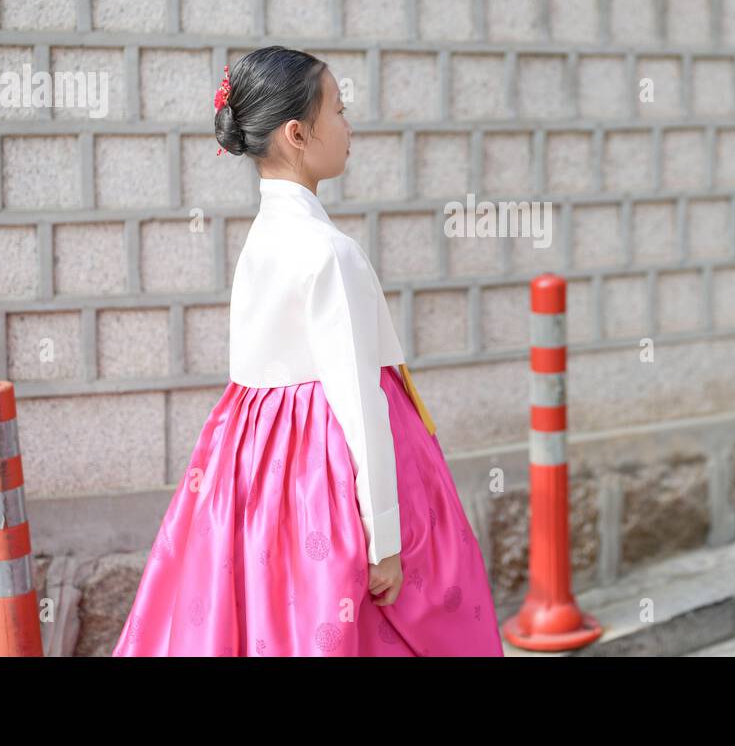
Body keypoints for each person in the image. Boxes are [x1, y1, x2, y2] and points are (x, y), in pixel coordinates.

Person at [112, 46, 504, 656]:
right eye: (340, 111)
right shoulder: (328, 251)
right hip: (330, 473)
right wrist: (384, 541)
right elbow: (358, 400)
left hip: (258, 476)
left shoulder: (260, 242)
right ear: (298, 133)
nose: (349, 126)